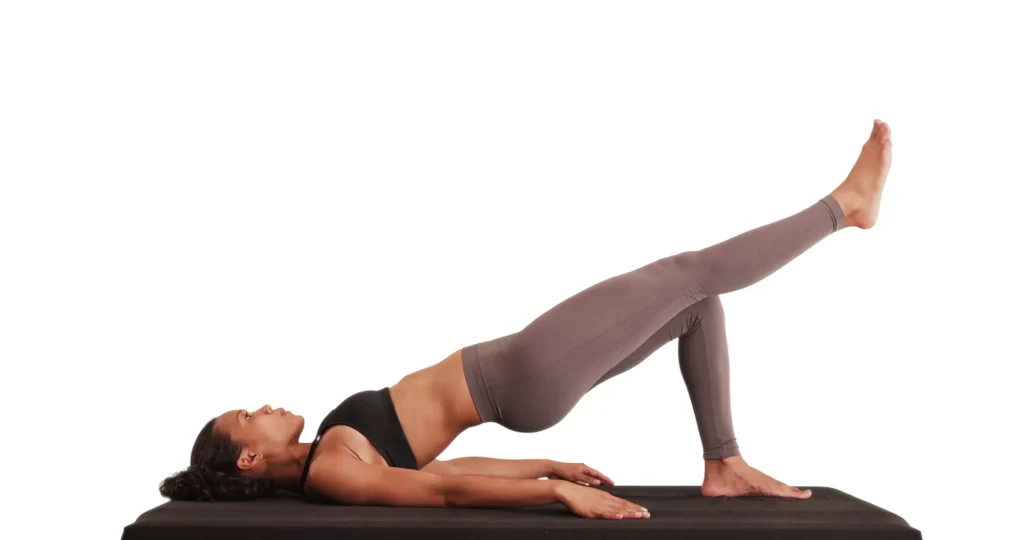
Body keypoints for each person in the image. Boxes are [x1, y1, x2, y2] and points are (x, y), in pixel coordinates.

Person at [159, 120, 893, 521]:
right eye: (247, 416)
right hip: (519, 376)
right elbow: (440, 494)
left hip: (519, 376)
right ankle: (842, 209)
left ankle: (723, 464)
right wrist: (553, 493)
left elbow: (443, 465)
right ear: (248, 456)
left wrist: (546, 463)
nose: (262, 406)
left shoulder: (331, 450)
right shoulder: (330, 476)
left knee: (694, 306)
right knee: (687, 272)